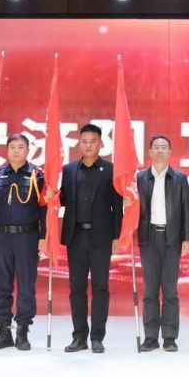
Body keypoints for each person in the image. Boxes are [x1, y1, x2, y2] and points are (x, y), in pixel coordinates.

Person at [57, 124, 122, 354]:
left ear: (100, 144)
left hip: (101, 237)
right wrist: (52, 196)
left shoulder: (111, 170)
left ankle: (97, 337)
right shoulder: (69, 170)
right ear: (79, 143)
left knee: (100, 287)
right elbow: (63, 200)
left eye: (93, 141)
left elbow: (117, 207)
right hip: (76, 237)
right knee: (76, 288)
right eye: (84, 141)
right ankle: (79, 337)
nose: (88, 145)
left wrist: (117, 236)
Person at [0, 133, 47, 351]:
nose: (16, 151)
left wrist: (44, 236)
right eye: (12, 146)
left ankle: (22, 330)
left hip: (27, 237)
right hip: (1, 236)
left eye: (20, 147)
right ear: (7, 150)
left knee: (26, 285)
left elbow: (45, 209)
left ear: (28, 150)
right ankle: (4, 331)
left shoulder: (37, 175)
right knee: (1, 285)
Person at [133, 135, 189, 352]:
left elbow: (186, 208)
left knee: (170, 290)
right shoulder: (140, 178)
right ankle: (150, 337)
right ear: (150, 152)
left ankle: (169, 337)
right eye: (156, 147)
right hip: (148, 238)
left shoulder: (179, 178)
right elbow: (132, 209)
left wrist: (187, 237)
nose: (159, 150)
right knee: (150, 290)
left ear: (170, 152)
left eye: (164, 147)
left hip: (172, 239)